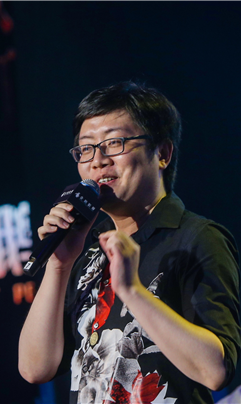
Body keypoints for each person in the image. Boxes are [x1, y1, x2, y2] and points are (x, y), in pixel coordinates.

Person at [18, 82, 240, 403]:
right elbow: (34, 368)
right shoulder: (87, 253)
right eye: (86, 148)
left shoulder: (197, 237)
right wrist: (59, 265)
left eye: (114, 143)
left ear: (162, 154)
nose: (97, 161)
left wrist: (132, 291)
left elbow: (215, 370)